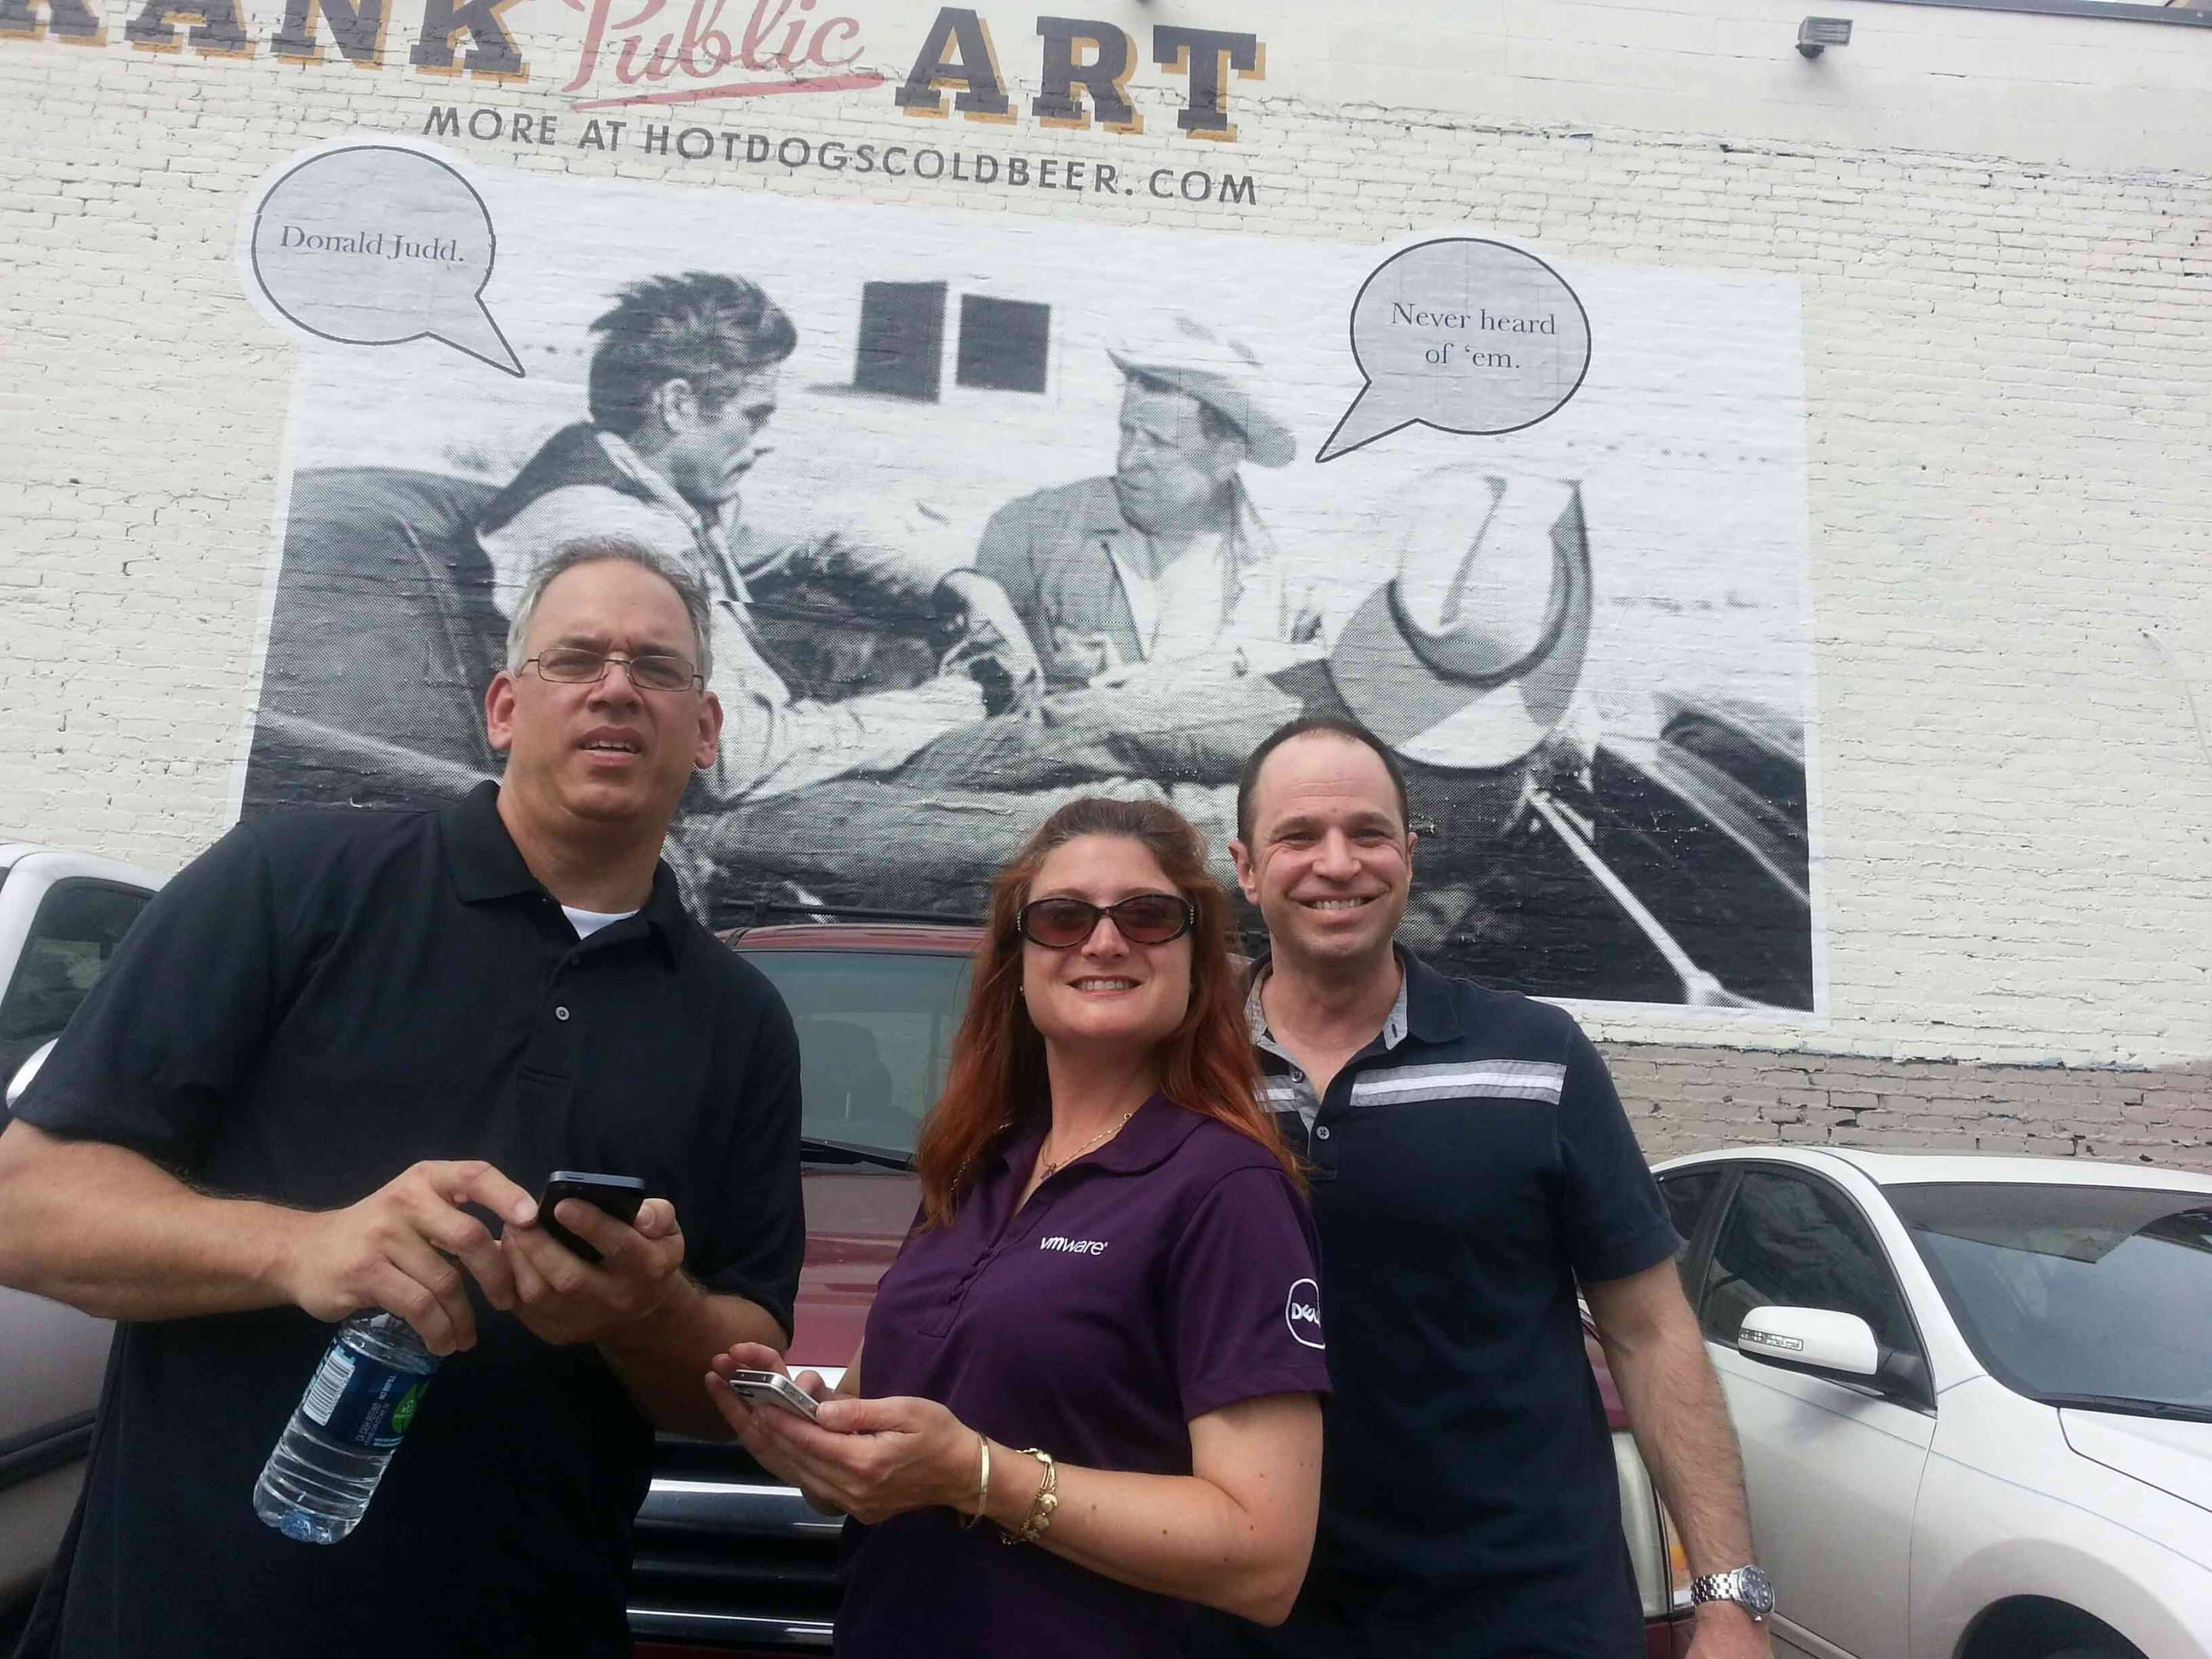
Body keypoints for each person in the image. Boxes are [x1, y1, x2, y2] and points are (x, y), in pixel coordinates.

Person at [0, 538, 806, 1657]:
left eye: (657, 667)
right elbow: (27, 1206)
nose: (616, 686)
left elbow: (739, 1374)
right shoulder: (288, 883)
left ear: (707, 730)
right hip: (194, 1616)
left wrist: (645, 1313)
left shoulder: (742, 1021)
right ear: (505, 706)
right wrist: (304, 1250)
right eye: (578, 657)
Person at [1195, 717, 1775, 1658]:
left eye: (1369, 833)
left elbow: (1650, 1332)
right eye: (1299, 836)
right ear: (1247, 868)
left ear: (1410, 855)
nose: (1337, 863)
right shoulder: (1185, 1071)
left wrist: (1727, 1598)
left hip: (1525, 1613)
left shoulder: (1536, 1058)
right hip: (1255, 1618)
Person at [703, 796, 1333, 1657]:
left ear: (1194, 962)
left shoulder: (1228, 1189)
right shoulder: (973, 1168)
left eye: (1148, 916)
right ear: (1018, 960)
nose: (1104, 942)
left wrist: (979, 1475)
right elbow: (885, 1434)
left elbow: (1265, 1557)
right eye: (1063, 917)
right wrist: (811, 1442)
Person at [250, 270, 1036, 819]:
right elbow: (738, 759)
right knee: (1103, 774)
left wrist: (961, 583)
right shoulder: (613, 537)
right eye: (754, 417)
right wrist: (966, 701)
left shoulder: (645, 489)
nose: (765, 443)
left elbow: (816, 540)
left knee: (1115, 760)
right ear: (678, 403)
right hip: (733, 814)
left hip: (793, 773)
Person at [969, 315, 1323, 691]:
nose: (1128, 459)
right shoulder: (1031, 530)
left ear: (1225, 458)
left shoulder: (1286, 581)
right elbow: (972, 681)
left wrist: (1231, 667)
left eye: (1158, 443)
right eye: (1127, 433)